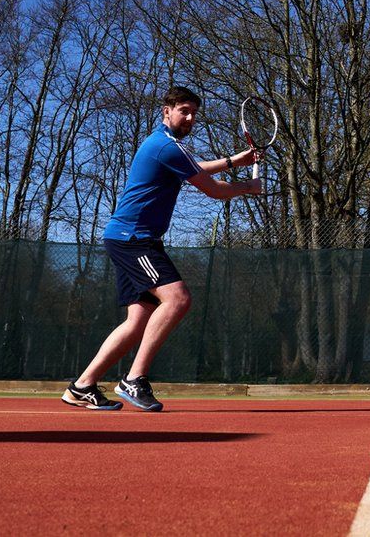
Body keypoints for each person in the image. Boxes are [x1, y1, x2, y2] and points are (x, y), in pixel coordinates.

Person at [61, 86, 262, 411]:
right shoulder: (167, 146)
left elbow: (194, 167)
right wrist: (246, 187)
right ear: (166, 111)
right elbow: (212, 191)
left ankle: (82, 386)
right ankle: (133, 379)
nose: (190, 117)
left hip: (126, 237)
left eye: (194, 112)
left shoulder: (164, 146)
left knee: (137, 320)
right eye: (184, 110)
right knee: (178, 299)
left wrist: (232, 161)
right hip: (134, 238)